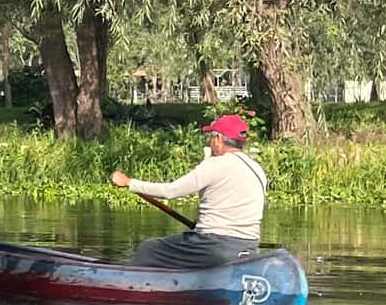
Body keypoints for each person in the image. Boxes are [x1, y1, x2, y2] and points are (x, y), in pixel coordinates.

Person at [108, 114, 268, 268]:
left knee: (148, 249)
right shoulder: (257, 168)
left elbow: (170, 191)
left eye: (211, 137)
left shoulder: (216, 164)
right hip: (249, 245)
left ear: (219, 139)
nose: (210, 142)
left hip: (215, 245)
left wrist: (129, 182)